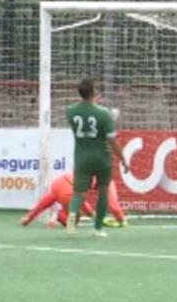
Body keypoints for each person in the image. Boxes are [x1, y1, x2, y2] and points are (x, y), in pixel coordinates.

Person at [65, 78, 129, 238]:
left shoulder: (70, 111)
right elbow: (112, 141)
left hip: (82, 157)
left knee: (78, 193)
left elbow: (85, 117)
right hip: (102, 158)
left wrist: (93, 105)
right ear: (94, 92)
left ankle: (72, 215)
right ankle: (98, 228)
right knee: (103, 191)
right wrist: (123, 159)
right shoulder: (104, 113)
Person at [20, 172, 125, 229]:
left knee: (51, 200)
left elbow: (43, 204)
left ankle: (32, 218)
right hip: (68, 191)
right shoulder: (91, 182)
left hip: (59, 182)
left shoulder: (84, 175)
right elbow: (82, 202)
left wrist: (29, 217)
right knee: (73, 223)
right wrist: (93, 216)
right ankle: (59, 215)